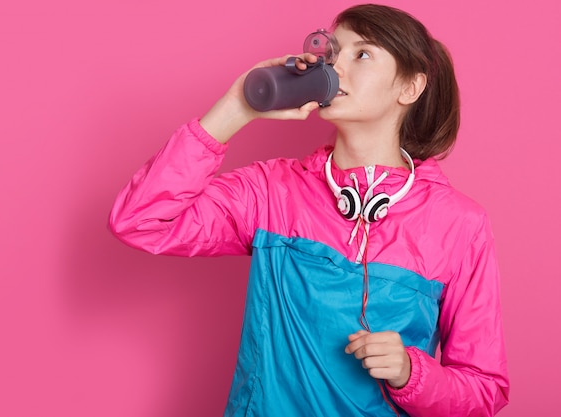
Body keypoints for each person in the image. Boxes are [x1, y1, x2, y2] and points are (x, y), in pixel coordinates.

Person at [109, 4, 509, 416]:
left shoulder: (461, 225)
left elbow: (484, 391)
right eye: (332, 54)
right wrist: (236, 107)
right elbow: (141, 221)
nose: (336, 67)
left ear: (409, 88)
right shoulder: (271, 191)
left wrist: (411, 373)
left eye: (363, 54)